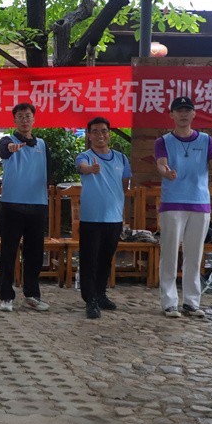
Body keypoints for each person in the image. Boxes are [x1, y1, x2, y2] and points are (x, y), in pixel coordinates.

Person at [156, 96, 212, 318]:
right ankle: (169, 302)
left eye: (187, 110)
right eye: (179, 110)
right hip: (172, 203)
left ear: (194, 114)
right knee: (169, 253)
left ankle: (191, 302)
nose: (183, 114)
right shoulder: (163, 141)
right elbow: (161, 164)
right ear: (172, 115)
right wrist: (166, 172)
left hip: (199, 203)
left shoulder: (206, 140)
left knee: (194, 255)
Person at [0, 102, 53, 313]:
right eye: (20, 116)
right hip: (12, 205)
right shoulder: (7, 140)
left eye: (28, 116)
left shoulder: (42, 145)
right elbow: (4, 150)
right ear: (14, 120)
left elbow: (49, 172)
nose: (24, 120)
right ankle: (6, 296)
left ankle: (32, 295)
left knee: (35, 254)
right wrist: (10, 149)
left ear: (34, 119)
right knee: (8, 252)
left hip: (37, 205)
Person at [75, 117, 132, 319]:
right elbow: (81, 167)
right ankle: (90, 299)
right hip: (91, 219)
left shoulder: (121, 158)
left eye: (104, 131)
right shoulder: (85, 156)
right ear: (89, 135)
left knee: (106, 260)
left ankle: (100, 294)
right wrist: (90, 169)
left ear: (109, 134)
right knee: (89, 260)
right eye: (95, 131)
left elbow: (124, 185)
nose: (100, 135)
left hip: (113, 219)